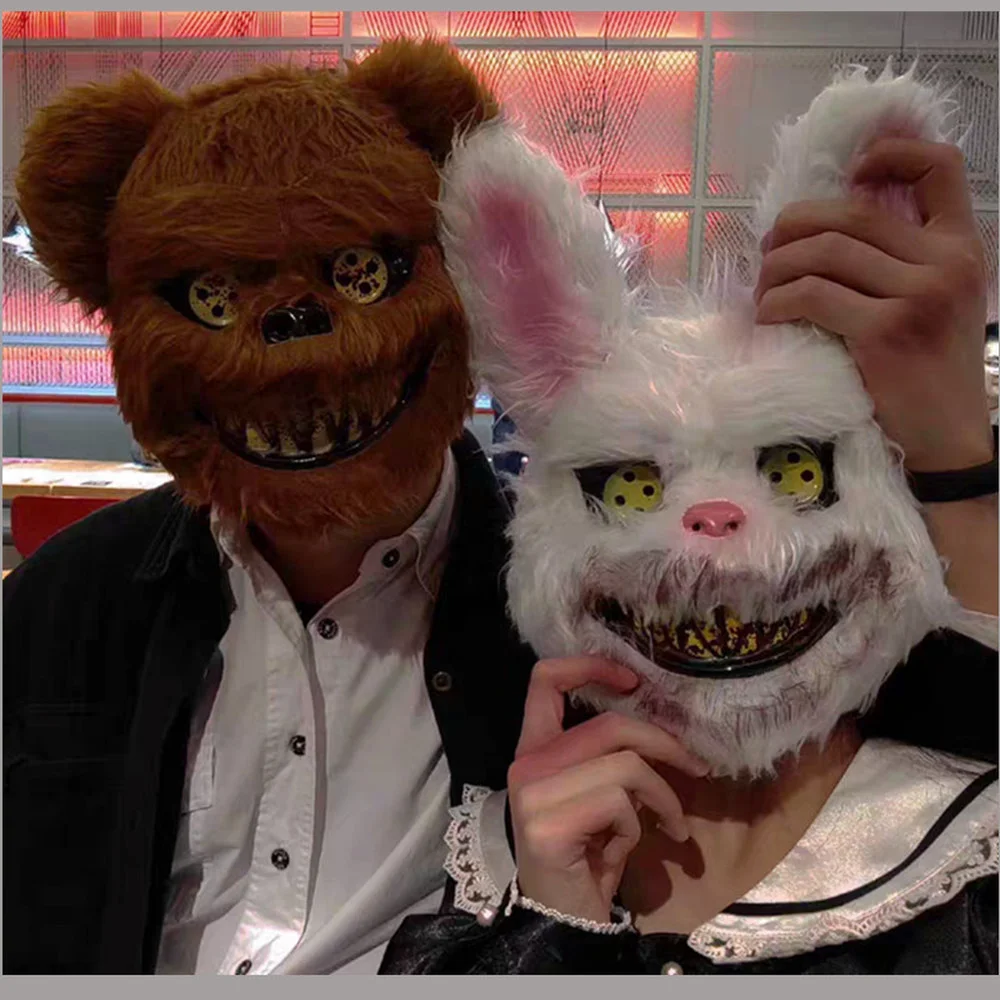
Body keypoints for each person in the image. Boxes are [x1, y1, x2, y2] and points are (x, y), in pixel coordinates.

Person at [380, 69, 999, 974]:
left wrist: (957, 449)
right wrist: (549, 934)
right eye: (631, 490)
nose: (712, 523)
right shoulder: (496, 855)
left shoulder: (965, 842)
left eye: (793, 472)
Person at [2, 39, 537, 974]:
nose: (294, 342)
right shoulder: (59, 606)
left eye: (360, 272)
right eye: (213, 296)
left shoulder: (565, 608)